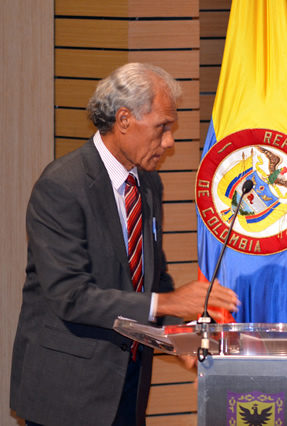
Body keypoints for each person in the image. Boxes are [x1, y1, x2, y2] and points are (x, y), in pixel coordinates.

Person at [10, 63, 240, 426]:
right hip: (67, 391)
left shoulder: (148, 185)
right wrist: (166, 302)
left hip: (128, 385)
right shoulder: (62, 186)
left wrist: (176, 334)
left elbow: (153, 277)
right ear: (124, 120)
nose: (170, 142)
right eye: (163, 127)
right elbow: (70, 295)